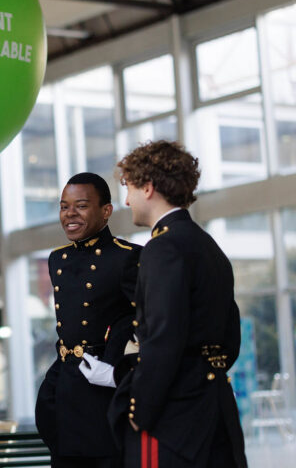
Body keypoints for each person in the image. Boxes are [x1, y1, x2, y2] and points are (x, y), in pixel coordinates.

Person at [103, 140, 247, 468]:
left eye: (130, 189)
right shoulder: (208, 247)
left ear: (149, 188)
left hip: (174, 414)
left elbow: (163, 336)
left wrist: (141, 410)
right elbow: (229, 334)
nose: (127, 201)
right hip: (214, 404)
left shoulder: (163, 248)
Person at [34, 173, 140, 468]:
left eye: (80, 206)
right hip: (65, 391)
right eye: (64, 206)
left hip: (102, 393)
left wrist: (116, 365)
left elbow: (143, 324)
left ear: (106, 211)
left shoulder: (127, 258)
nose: (70, 214)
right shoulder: (57, 259)